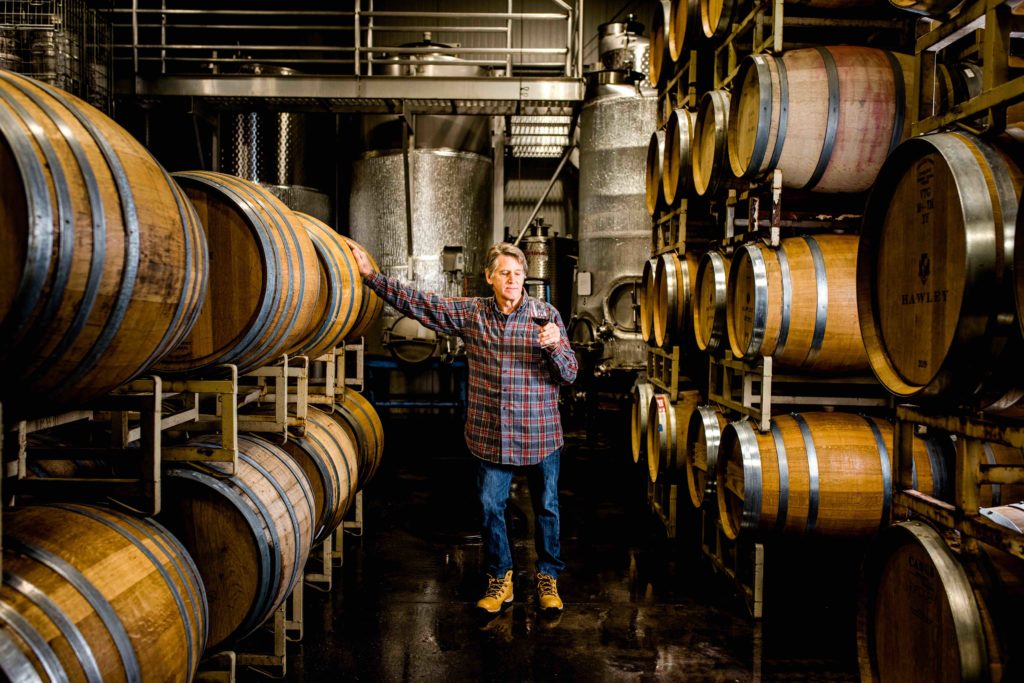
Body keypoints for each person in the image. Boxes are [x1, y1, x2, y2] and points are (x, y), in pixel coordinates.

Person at [350, 241, 578, 614]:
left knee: (547, 508)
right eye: (504, 273)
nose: (512, 279)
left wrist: (555, 346)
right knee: (490, 507)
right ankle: (500, 577)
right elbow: (421, 304)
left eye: (517, 273)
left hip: (540, 432)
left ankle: (548, 577)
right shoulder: (473, 313)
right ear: (489, 277)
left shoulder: (545, 315)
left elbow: (568, 374)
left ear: (525, 277)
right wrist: (372, 277)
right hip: (492, 433)